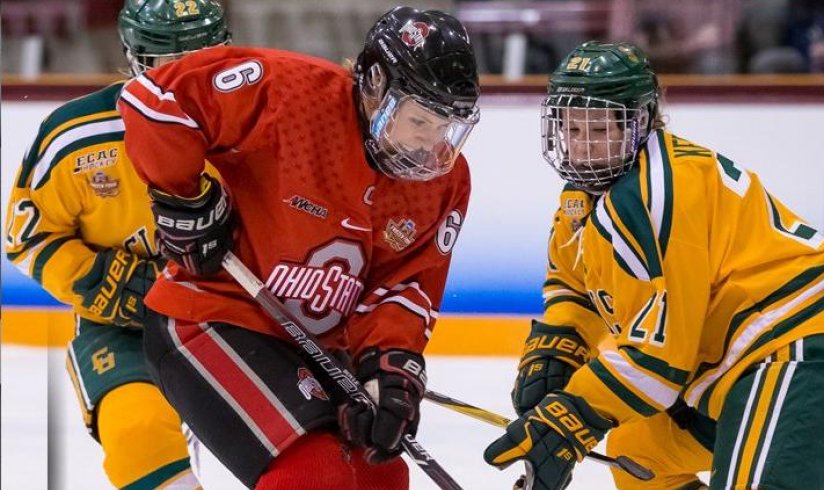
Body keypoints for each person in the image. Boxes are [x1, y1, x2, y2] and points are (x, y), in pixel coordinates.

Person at [483, 41, 824, 490]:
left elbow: (660, 363)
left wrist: (573, 417)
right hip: (737, 369)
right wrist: (560, 344)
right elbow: (576, 286)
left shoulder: (656, 195)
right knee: (636, 451)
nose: (585, 147)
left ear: (639, 123)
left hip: (801, 356)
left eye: (601, 130)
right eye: (573, 129)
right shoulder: (583, 199)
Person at [116, 6, 479, 489]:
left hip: (313, 346)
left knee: (380, 476)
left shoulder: (446, 181)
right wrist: (184, 196)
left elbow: (405, 286)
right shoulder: (290, 93)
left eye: (446, 127)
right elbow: (158, 98)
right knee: (315, 475)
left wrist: (388, 364)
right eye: (420, 121)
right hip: (213, 316)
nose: (431, 144)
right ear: (374, 86)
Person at [3, 1, 230, 488]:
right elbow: (27, 237)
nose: (183, 80)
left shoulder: (265, 129)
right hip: (127, 326)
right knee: (137, 430)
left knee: (317, 452)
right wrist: (95, 281)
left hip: (243, 316)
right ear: (134, 58)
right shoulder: (74, 137)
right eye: (165, 63)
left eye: (200, 61)